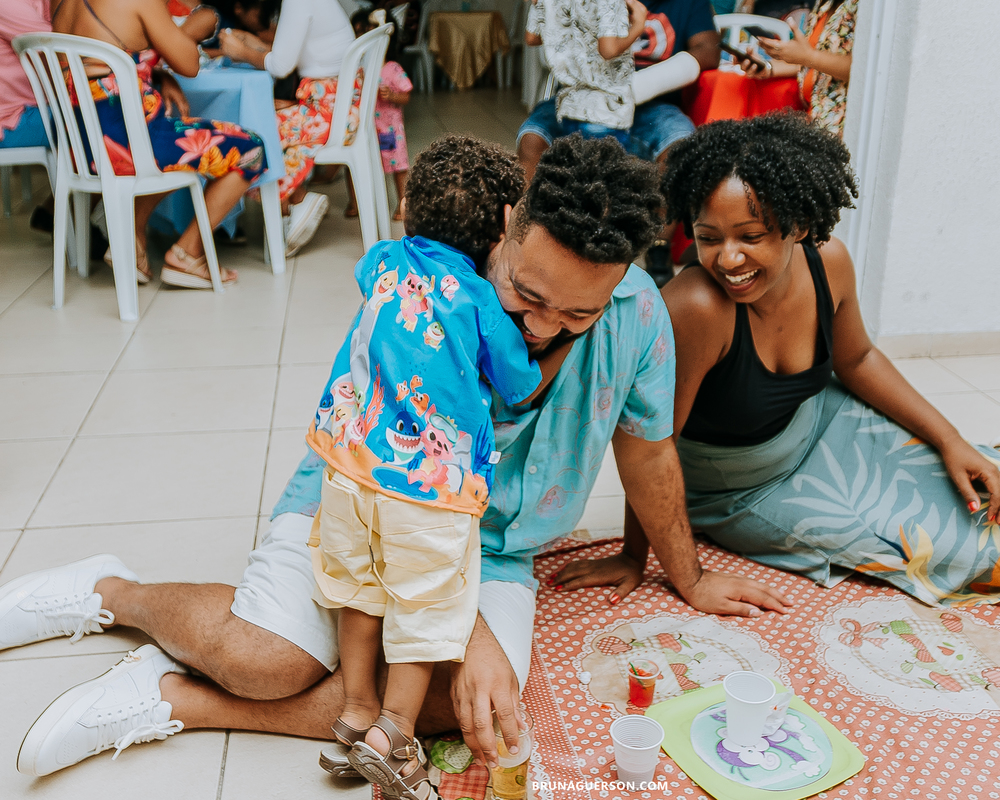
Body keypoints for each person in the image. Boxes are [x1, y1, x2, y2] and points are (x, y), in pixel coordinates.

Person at [3, 134, 789, 781]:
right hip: (360, 495)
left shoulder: (640, 317)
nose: (544, 327)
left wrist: (683, 573)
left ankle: (177, 699)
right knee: (263, 660)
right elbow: (381, 453)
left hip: (496, 551)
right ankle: (111, 591)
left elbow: (648, 453)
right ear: (508, 227)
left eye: (577, 312)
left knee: (469, 701)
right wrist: (467, 626)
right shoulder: (432, 282)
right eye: (527, 296)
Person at [551, 113, 1000, 612]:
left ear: (799, 225)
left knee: (973, 478)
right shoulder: (696, 306)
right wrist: (650, 561)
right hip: (742, 484)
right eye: (710, 236)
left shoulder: (827, 261)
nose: (728, 258)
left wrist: (946, 440)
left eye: (752, 236)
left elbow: (857, 358)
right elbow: (649, 443)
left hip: (821, 423)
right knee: (965, 553)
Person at [307, 135, 565, 799]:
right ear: (508, 223)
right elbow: (517, 383)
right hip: (425, 489)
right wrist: (558, 349)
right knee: (425, 612)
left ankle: (357, 706)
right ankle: (393, 732)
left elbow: (372, 286)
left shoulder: (383, 260)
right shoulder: (480, 300)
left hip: (348, 466)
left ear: (406, 211)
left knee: (360, 590)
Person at [51, 0, 267, 287]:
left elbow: (109, 57)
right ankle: (187, 253)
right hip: (127, 145)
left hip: (80, 146)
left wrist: (158, 74)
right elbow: (189, 64)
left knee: (178, 138)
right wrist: (193, 28)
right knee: (250, 149)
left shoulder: (60, 3)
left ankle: (133, 238)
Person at [518, 0, 718, 287]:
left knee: (680, 146)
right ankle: (530, 238)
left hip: (652, 105)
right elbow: (539, 37)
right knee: (532, 139)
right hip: (581, 96)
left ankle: (658, 249)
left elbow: (708, 50)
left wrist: (637, 87)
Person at [217, 0, 354, 256]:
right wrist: (250, 42)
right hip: (338, 102)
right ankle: (293, 204)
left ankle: (298, 201)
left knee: (252, 134)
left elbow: (281, 66)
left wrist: (242, 52)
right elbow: (288, 53)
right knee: (264, 119)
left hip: (329, 111)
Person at [524, 0, 645, 148]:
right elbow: (608, 50)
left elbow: (532, 38)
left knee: (575, 166)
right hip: (606, 109)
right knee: (603, 169)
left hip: (570, 106)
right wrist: (638, 26)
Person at [747, 0, 855, 136]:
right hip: (813, 119)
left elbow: (861, 67)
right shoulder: (825, 4)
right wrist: (767, 67)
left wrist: (809, 56)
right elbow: (814, 61)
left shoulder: (865, 8)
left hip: (841, 128)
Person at [346, 8, 410, 222]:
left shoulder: (392, 69)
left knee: (398, 166)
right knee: (355, 163)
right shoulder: (357, 68)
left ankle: (403, 203)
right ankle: (355, 203)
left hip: (390, 129)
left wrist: (392, 95)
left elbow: (406, 96)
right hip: (365, 128)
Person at [0, 0, 52, 151]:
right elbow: (56, 46)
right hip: (13, 121)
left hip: (32, 110)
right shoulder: (8, 4)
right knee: (101, 118)